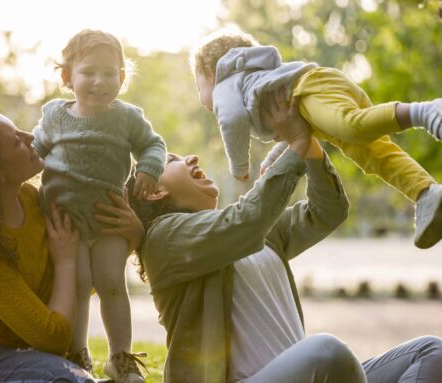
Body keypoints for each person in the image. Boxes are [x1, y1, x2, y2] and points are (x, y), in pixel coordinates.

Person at [100, 94, 442, 382]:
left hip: (301, 373)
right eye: (173, 160)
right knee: (326, 351)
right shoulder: (165, 240)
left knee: (430, 353)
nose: (191, 158)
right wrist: (293, 145)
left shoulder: (244, 230)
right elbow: (247, 220)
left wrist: (310, 150)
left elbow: (328, 212)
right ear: (156, 192)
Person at [190, 29, 442, 249]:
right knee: (371, 154)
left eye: (199, 87)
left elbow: (231, 120)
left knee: (351, 126)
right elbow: (295, 126)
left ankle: (425, 111)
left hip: (311, 88)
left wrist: (240, 167)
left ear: (211, 74)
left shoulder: (225, 86)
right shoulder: (258, 85)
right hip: (315, 94)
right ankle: (424, 192)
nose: (202, 98)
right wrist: (272, 159)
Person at [32, 29, 166, 382]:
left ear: (122, 78)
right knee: (78, 285)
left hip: (108, 218)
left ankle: (120, 358)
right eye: (88, 72)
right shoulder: (54, 117)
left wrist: (150, 169)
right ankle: (77, 354)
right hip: (67, 221)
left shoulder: (127, 117)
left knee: (110, 284)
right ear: (67, 77)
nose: (99, 81)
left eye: (110, 73)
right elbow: (33, 153)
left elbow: (153, 145)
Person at [0, 98, 98, 382]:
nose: (31, 137)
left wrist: (133, 231)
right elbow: (52, 337)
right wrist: (65, 261)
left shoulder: (37, 201)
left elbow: (87, 279)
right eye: (16, 141)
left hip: (36, 357)